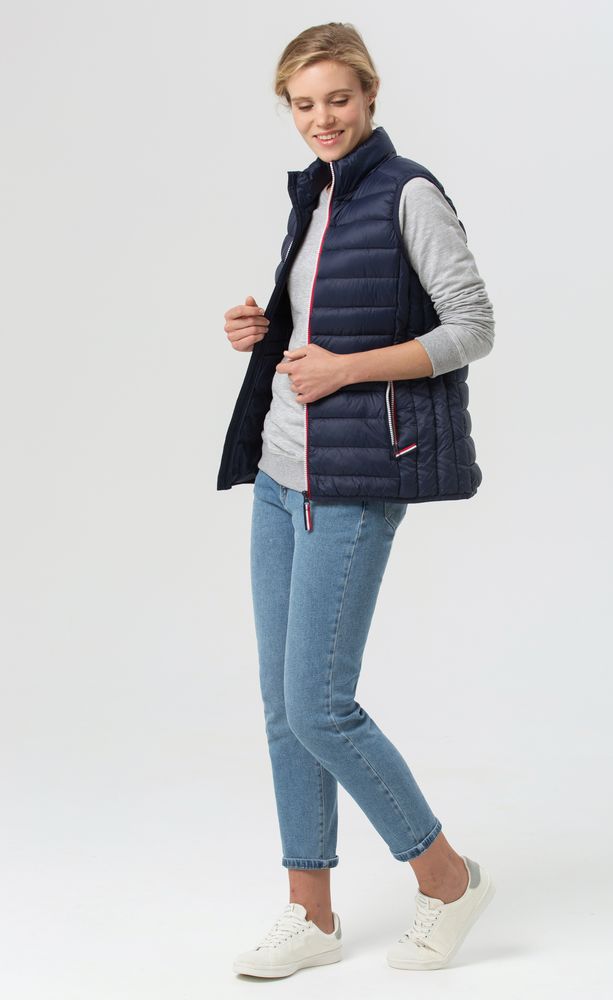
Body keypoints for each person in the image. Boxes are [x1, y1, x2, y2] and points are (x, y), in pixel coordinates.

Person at [218, 22, 496, 979]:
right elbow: (318, 322)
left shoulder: (408, 191)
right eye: (303, 104)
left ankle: (447, 878)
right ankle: (312, 914)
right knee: (282, 707)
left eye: (337, 99)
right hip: (279, 475)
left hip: (354, 481)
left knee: (319, 705)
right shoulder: (316, 191)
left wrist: (344, 370)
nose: (322, 118)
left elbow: (471, 326)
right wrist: (264, 328)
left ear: (370, 97)